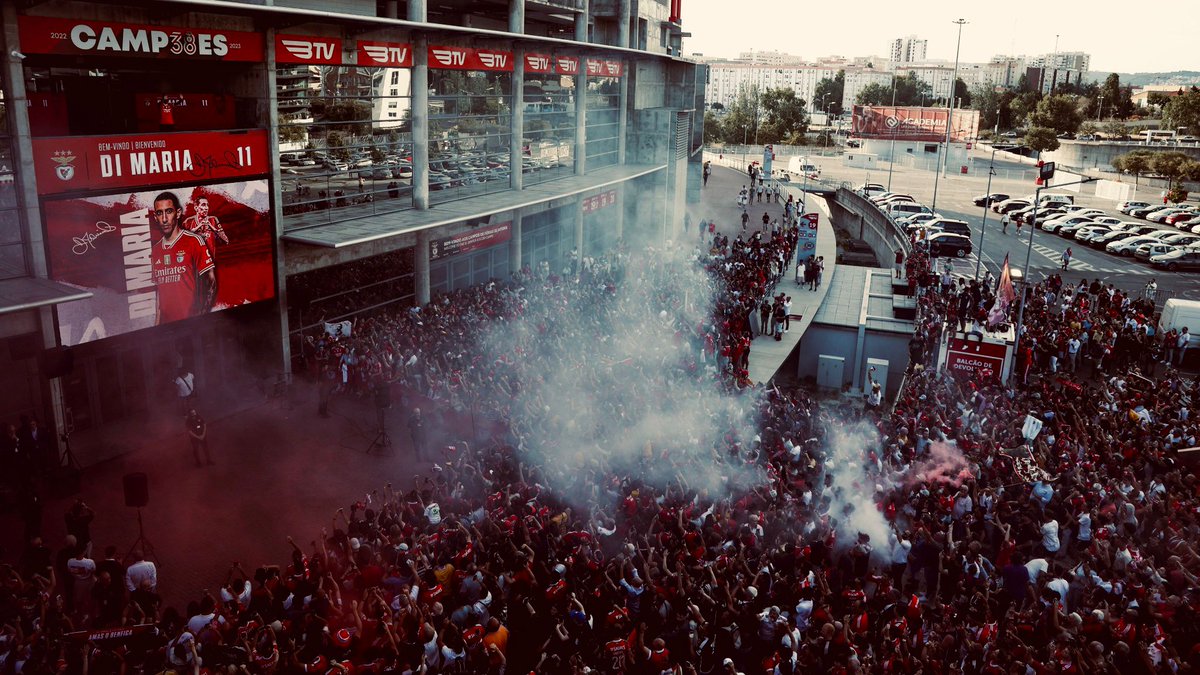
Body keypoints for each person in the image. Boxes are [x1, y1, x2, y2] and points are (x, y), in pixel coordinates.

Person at [151, 191, 216, 324]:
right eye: (159, 213)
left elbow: (211, 282)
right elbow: (159, 293)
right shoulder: (156, 250)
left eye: (169, 211)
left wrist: (201, 317)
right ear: (155, 217)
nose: (164, 219)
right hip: (166, 326)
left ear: (178, 213)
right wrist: (157, 326)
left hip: (190, 324)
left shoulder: (194, 241)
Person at [182, 196, 229, 262]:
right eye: (203, 205)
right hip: (193, 264)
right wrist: (197, 227)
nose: (206, 208)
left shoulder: (213, 220)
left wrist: (212, 227)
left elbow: (225, 241)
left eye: (207, 205)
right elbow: (182, 244)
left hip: (210, 263)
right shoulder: (188, 222)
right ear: (196, 208)